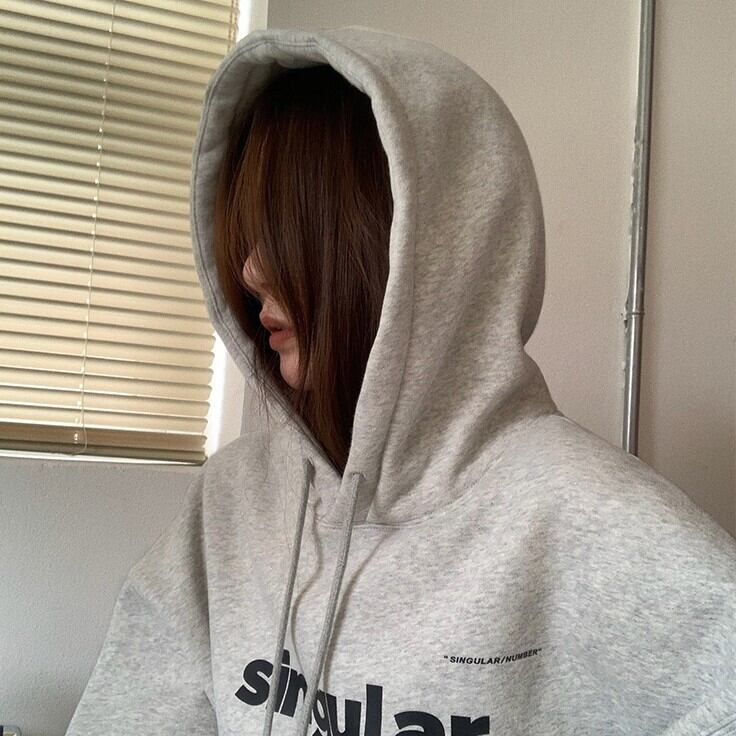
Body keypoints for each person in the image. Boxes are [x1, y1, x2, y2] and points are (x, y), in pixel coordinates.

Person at [65, 25, 736, 736]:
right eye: (247, 228)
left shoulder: (591, 520)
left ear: (419, 243)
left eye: (291, 226)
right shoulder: (234, 500)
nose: (251, 270)